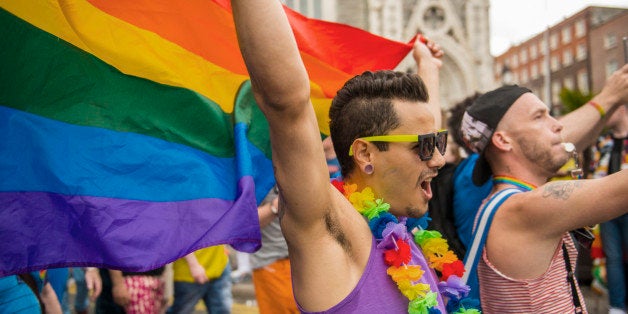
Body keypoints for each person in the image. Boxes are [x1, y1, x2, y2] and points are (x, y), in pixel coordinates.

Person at [232, 1, 479, 313]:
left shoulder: (399, 226)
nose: (438, 160)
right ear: (365, 153)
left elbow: (418, 124)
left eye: (437, 142)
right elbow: (287, 104)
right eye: (425, 147)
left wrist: (428, 66)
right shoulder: (331, 228)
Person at [459, 65, 628, 312]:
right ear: (503, 140)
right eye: (539, 117)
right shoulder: (523, 208)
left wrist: (610, 98)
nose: (558, 125)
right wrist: (609, 96)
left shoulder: (507, 200)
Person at [589, 105, 628, 314]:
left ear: (621, 110)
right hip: (608, 210)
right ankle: (616, 306)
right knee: (612, 258)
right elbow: (594, 173)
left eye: (610, 110)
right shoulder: (603, 142)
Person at [251, 185, 298, 314]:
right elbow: (243, 222)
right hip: (271, 262)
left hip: (301, 261)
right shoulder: (254, 172)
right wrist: (274, 207)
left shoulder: (296, 169)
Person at [167, 246, 232, 314]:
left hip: (220, 265)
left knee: (222, 310)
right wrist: (193, 264)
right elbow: (178, 238)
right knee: (182, 310)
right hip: (189, 273)